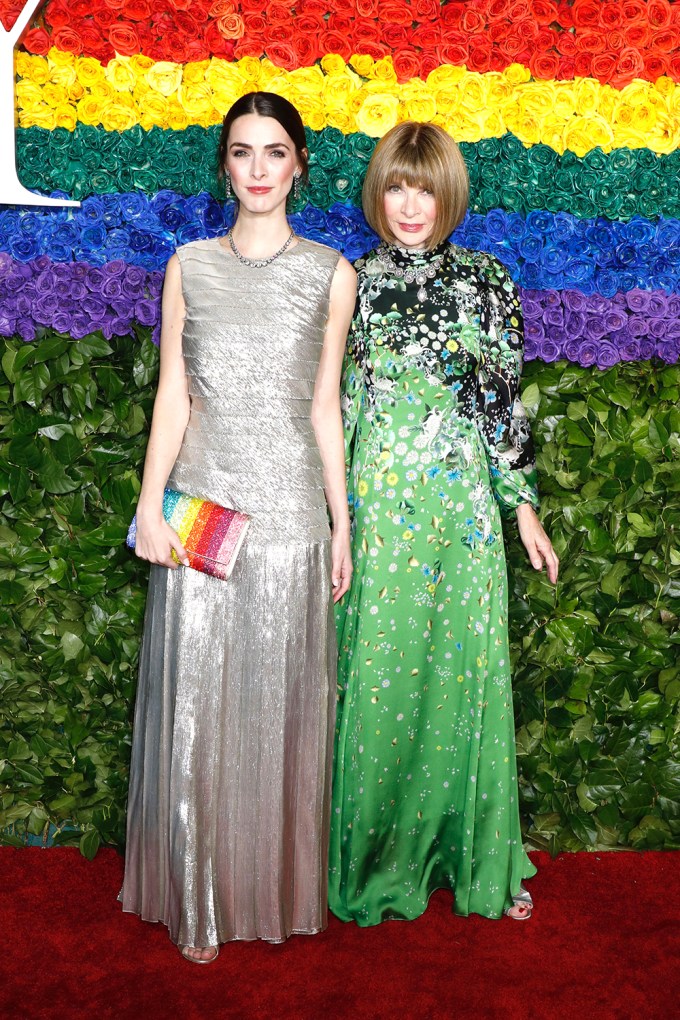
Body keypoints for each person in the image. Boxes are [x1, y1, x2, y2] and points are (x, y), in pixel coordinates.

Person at [120, 91, 356, 962]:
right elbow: (173, 396)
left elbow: (325, 406)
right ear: (224, 165)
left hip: (293, 514)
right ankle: (199, 895)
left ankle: (269, 887)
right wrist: (149, 505)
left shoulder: (334, 272)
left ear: (300, 164)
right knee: (198, 708)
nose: (258, 170)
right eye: (242, 153)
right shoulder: (188, 264)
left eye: (274, 152)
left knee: (275, 711)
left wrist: (342, 522)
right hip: (202, 513)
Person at [329, 121, 559, 926]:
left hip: (461, 513)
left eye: (424, 187)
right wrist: (334, 519)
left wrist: (521, 507)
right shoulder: (348, 281)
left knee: (462, 677)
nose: (410, 204)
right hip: (379, 509)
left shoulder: (489, 281)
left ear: (448, 193)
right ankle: (370, 860)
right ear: (378, 193)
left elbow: (500, 402)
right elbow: (337, 408)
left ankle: (472, 854)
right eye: (397, 185)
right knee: (380, 677)